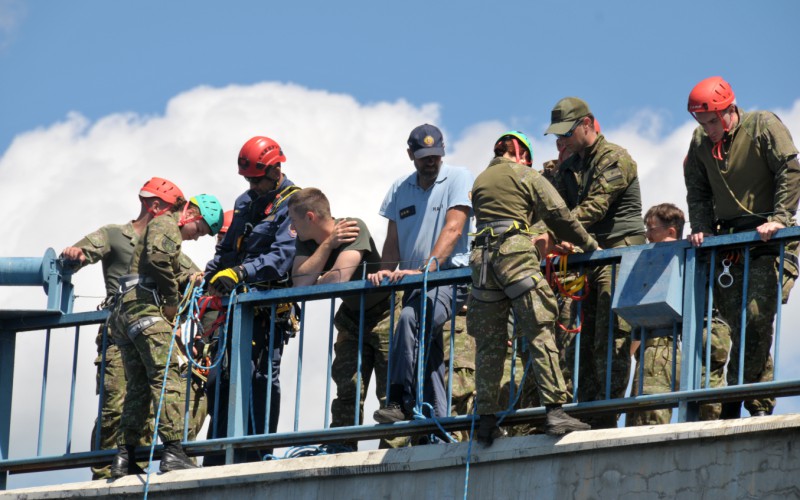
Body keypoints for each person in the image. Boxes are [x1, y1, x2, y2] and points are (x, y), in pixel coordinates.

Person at [468, 131, 596, 444]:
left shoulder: (481, 180)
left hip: (481, 260)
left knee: (489, 344)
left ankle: (485, 421)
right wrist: (589, 244)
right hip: (514, 253)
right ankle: (555, 410)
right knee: (540, 329)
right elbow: (558, 215)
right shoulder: (523, 174)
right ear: (521, 153)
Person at [684, 76, 800, 418]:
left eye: (711, 121)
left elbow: (790, 169)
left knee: (757, 318)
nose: (707, 129)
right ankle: (757, 402)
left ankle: (736, 400)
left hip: (770, 240)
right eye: (701, 123)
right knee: (738, 324)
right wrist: (702, 228)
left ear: (728, 110)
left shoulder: (762, 125)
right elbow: (698, 189)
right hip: (732, 244)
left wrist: (780, 218)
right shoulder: (700, 142)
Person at [61, 177, 189, 480]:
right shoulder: (116, 234)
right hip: (120, 330)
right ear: (155, 205)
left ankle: (133, 466)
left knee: (143, 396)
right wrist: (75, 255)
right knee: (115, 403)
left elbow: (188, 271)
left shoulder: (165, 239)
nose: (177, 218)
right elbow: (84, 251)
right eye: (172, 209)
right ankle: (105, 470)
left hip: (148, 323)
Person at [546, 97, 646, 428]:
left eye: (567, 133)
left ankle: (605, 416)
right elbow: (550, 206)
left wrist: (556, 232)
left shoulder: (615, 157)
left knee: (611, 337)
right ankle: (586, 412)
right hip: (588, 259)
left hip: (618, 255)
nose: (562, 141)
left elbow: (594, 207)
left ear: (587, 124)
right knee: (582, 341)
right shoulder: (570, 165)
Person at [111, 194, 223, 478]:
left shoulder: (166, 232)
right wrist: (172, 301)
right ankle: (174, 451)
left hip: (128, 314)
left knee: (138, 386)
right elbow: (159, 259)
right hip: (146, 310)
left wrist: (197, 278)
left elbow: (173, 263)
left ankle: (125, 456)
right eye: (199, 230)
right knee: (167, 378)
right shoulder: (166, 224)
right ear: (191, 215)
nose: (197, 238)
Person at [203, 135, 301, 464]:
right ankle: (218, 452)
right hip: (236, 307)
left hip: (269, 308)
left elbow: (281, 257)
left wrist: (242, 272)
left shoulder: (294, 202)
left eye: (256, 179)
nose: (252, 185)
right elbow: (229, 250)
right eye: (247, 179)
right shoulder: (245, 202)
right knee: (219, 376)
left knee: (261, 379)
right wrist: (208, 278)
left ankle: (258, 451)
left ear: (275, 170)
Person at [370, 123, 473, 427]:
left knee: (410, 320)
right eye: (424, 155)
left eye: (436, 155)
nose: (431, 161)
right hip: (416, 282)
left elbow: (454, 228)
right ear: (410, 154)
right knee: (426, 350)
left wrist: (428, 268)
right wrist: (385, 272)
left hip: (449, 278)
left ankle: (400, 400)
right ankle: (437, 424)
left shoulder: (458, 177)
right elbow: (393, 242)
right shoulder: (399, 189)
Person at [288, 187, 392, 450]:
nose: (291, 226)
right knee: (348, 386)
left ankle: (394, 448)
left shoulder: (353, 227)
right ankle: (341, 445)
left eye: (294, 219)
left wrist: (320, 275)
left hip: (385, 314)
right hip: (351, 318)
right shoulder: (308, 240)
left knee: (389, 388)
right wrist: (327, 245)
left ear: (309, 217)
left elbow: (337, 280)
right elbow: (300, 285)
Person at [626, 203, 731, 426]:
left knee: (707, 406)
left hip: (702, 333)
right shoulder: (649, 260)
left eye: (651, 229)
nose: (647, 235)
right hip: (661, 342)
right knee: (649, 413)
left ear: (671, 231)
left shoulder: (699, 253)